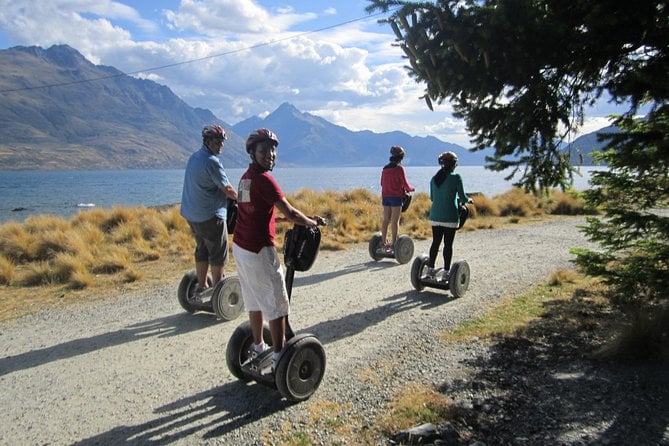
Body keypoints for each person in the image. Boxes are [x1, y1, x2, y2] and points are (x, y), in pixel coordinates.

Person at [232, 128, 325, 372]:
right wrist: (311, 222)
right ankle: (279, 357)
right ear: (252, 152)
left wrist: (302, 219)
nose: (270, 155)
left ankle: (259, 346)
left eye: (272, 150)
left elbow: (259, 214)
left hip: (241, 248)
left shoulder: (245, 178)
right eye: (264, 150)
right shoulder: (264, 179)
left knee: (253, 300)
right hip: (258, 249)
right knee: (277, 304)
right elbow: (290, 211)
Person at [180, 124, 238, 294]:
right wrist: (245, 200)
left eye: (222, 141)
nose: (220, 145)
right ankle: (218, 291)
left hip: (192, 214)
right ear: (207, 141)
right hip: (210, 215)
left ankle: (201, 285)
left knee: (202, 249)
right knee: (218, 253)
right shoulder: (211, 162)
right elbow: (227, 189)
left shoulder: (194, 157)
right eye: (217, 141)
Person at [427, 151, 470, 278]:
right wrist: (469, 200)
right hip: (450, 217)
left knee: (435, 242)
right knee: (448, 244)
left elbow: (432, 198)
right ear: (454, 164)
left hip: (435, 216)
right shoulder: (456, 177)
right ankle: (446, 272)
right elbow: (462, 197)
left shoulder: (434, 179)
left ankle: (430, 269)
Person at [380, 145, 415, 250]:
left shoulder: (385, 168)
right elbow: (405, 184)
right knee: (395, 221)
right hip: (396, 198)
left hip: (385, 197)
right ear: (401, 157)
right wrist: (411, 189)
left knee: (386, 220)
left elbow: (382, 183)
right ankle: (394, 243)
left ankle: (383, 241)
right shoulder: (399, 168)